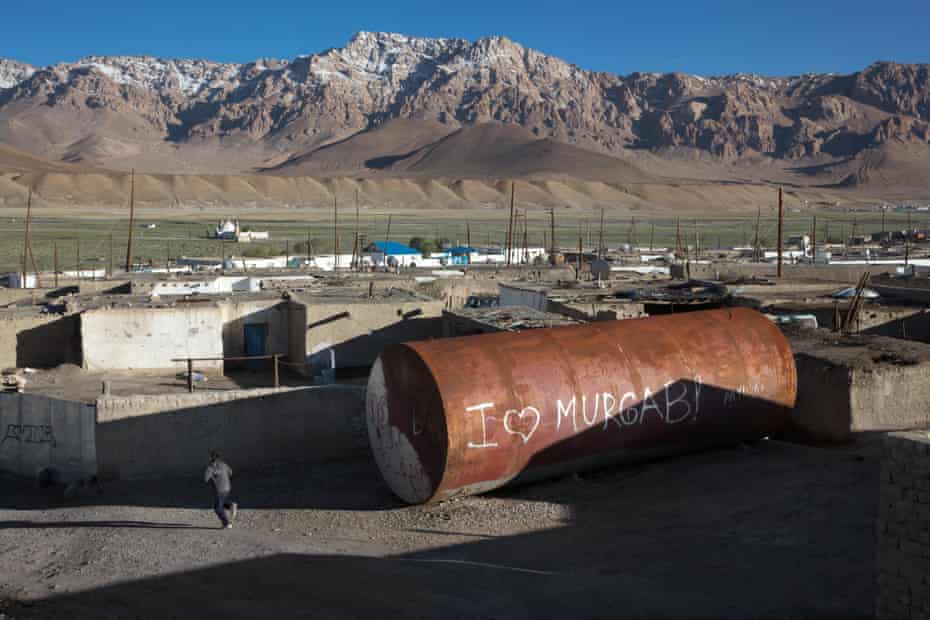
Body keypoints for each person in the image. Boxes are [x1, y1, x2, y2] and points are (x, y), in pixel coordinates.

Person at [204, 451, 237, 529]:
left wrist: (212, 475)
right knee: (221, 502)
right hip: (228, 488)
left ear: (211, 458)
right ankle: (231, 505)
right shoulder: (224, 464)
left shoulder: (211, 467)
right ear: (219, 458)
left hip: (219, 489)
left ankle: (226, 523)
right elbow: (231, 472)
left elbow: (206, 479)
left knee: (217, 508)